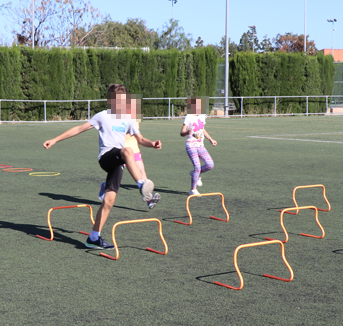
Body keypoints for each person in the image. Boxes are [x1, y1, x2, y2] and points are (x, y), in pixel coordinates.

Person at [43, 84, 162, 249]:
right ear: (110, 101)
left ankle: (93, 238)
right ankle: (141, 184)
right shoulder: (102, 116)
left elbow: (141, 139)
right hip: (106, 157)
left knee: (109, 201)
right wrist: (55, 139)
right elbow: (79, 128)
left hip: (118, 162)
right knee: (127, 151)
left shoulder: (128, 119)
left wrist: (153, 143)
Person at [180, 97, 217, 195]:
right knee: (197, 166)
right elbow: (181, 132)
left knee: (210, 164)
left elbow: (202, 129)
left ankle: (195, 174)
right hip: (190, 145)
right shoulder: (188, 117)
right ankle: (193, 189)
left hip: (200, 145)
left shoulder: (202, 116)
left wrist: (211, 139)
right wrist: (187, 132)